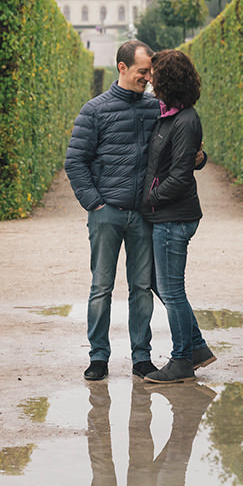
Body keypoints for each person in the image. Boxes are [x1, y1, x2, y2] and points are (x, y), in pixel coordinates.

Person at [65, 41, 204, 381]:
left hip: (145, 215)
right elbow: (75, 161)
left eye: (151, 72)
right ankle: (99, 357)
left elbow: (183, 152)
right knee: (101, 287)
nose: (149, 78)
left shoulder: (157, 108)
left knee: (141, 289)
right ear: (122, 68)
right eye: (143, 71)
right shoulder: (94, 110)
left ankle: (141, 357)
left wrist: (201, 159)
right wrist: (94, 203)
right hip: (107, 212)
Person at [139, 49, 215, 384]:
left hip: (173, 217)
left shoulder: (184, 119)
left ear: (166, 79)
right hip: (168, 215)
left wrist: (149, 199)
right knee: (160, 283)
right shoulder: (172, 114)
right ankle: (196, 347)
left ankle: (182, 359)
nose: (149, 78)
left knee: (172, 290)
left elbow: (181, 176)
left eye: (153, 73)